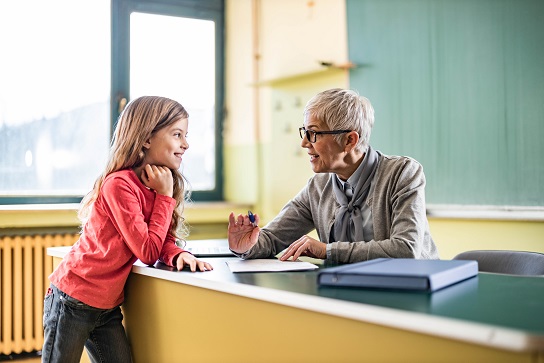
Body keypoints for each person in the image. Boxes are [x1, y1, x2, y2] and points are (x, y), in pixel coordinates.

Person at [42, 96, 213, 363]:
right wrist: (165, 197)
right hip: (73, 300)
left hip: (107, 307)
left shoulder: (154, 187)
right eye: (177, 134)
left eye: (186, 135)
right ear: (146, 138)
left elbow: (161, 240)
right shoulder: (119, 185)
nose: (186, 144)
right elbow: (146, 250)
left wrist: (177, 254)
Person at [228, 88, 439, 264]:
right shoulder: (318, 187)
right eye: (305, 132)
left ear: (349, 140)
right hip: (351, 293)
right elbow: (273, 237)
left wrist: (328, 251)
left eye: (314, 133)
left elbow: (406, 249)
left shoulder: (403, 173)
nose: (304, 143)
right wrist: (247, 245)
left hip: (414, 292)